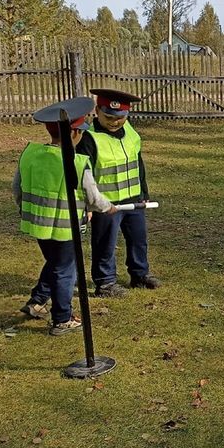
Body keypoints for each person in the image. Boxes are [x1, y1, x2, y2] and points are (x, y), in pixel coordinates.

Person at [13, 97, 118, 335]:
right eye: (81, 131)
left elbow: (17, 188)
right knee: (65, 270)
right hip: (65, 228)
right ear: (74, 133)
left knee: (55, 262)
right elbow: (92, 196)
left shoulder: (30, 154)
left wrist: (25, 209)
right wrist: (107, 208)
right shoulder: (77, 162)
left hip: (38, 225)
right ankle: (62, 318)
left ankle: (37, 301)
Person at [76, 88, 161, 297]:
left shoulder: (130, 131)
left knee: (138, 239)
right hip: (106, 204)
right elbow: (83, 176)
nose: (115, 122)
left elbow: (138, 162)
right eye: (109, 117)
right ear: (97, 111)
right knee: (105, 243)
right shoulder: (89, 138)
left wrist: (144, 191)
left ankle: (139, 275)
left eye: (120, 117)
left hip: (134, 199)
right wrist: (89, 205)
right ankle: (105, 283)